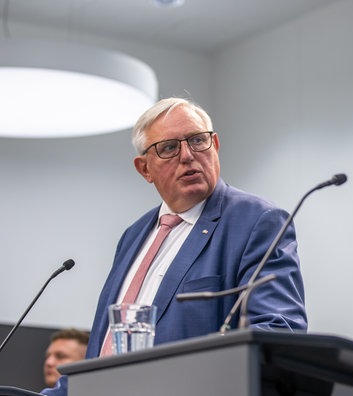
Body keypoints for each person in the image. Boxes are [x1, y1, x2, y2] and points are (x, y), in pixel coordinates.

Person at [42, 97, 307, 396]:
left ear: (215, 145)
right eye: (168, 148)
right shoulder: (134, 235)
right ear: (144, 169)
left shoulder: (256, 221)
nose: (187, 155)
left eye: (197, 140)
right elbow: (103, 350)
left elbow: (277, 333)